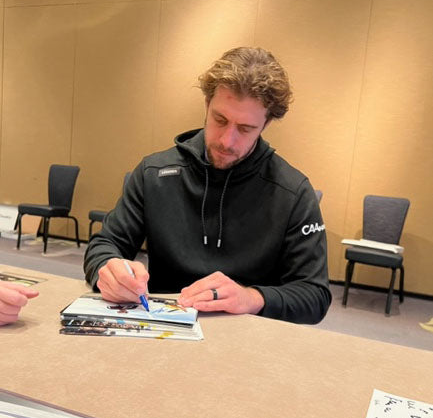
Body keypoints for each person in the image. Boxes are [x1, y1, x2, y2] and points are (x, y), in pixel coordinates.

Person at [84, 47, 331, 324]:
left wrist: (251, 298)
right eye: (220, 120)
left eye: (245, 128)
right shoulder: (154, 173)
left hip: (250, 338)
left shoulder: (293, 193)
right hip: (163, 329)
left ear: (266, 123)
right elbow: (105, 244)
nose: (227, 141)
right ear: (206, 104)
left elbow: (314, 295)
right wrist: (107, 269)